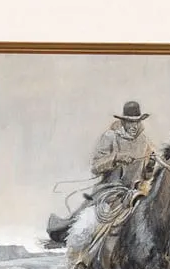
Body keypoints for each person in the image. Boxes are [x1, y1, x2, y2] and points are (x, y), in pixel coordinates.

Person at [47, 101, 156, 246]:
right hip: (109, 191)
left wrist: (150, 166)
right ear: (124, 121)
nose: (134, 126)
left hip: (134, 193)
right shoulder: (110, 137)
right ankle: (80, 255)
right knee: (86, 226)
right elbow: (96, 167)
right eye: (131, 122)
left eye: (137, 122)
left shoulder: (144, 141)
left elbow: (146, 176)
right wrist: (116, 158)